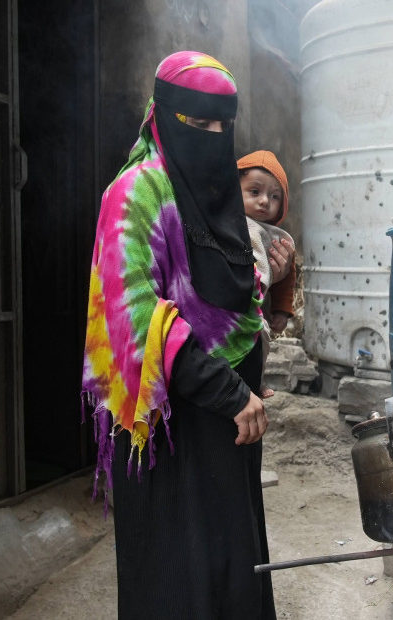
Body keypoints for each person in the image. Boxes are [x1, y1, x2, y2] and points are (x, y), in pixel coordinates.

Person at [81, 51, 280, 619]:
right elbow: (135, 316)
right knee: (179, 577)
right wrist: (227, 390)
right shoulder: (135, 194)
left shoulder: (218, 195)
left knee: (231, 569)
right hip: (168, 422)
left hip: (228, 422)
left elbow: (231, 306)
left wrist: (248, 381)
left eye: (224, 125)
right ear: (162, 115)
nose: (213, 138)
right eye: (198, 124)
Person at [237, 150, 297, 398]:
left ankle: (255, 383)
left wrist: (282, 310)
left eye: (274, 196)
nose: (264, 201)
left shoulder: (276, 237)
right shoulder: (225, 222)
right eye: (254, 192)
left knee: (261, 341)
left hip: (255, 308)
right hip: (228, 303)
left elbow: (287, 277)